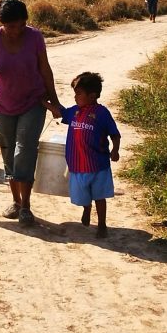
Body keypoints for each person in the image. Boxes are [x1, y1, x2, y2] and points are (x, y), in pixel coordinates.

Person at [0, 0, 62, 227]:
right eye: (9, 26)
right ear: (1, 23)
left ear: (26, 21)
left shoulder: (34, 38)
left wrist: (54, 101)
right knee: (8, 154)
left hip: (33, 102)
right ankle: (15, 201)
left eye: (19, 25)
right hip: (3, 106)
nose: (15, 31)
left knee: (24, 150)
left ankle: (26, 206)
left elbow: (45, 69)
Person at [56, 72, 120, 239]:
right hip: (77, 166)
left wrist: (115, 150)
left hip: (98, 165)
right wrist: (44, 102)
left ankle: (102, 225)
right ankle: (86, 207)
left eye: (79, 94)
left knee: (99, 196)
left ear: (92, 96)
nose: (75, 97)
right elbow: (60, 112)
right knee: (82, 195)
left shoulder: (102, 113)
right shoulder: (74, 112)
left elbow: (115, 134)